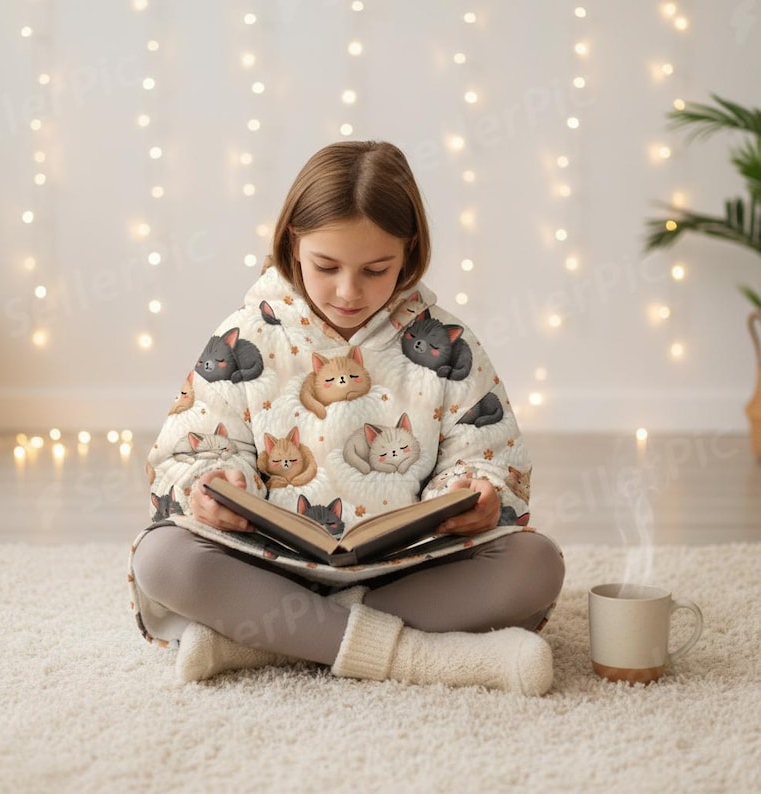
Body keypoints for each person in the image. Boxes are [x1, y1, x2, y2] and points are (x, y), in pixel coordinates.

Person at [129, 140, 565, 695]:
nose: (347, 291)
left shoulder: (448, 344)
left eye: (375, 269)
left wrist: (476, 497)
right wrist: (210, 488)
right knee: (163, 557)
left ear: (408, 252)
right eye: (326, 266)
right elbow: (188, 453)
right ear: (294, 241)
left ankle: (262, 641)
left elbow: (486, 457)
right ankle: (421, 657)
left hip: (406, 571)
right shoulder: (248, 333)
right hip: (267, 568)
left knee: (536, 564)